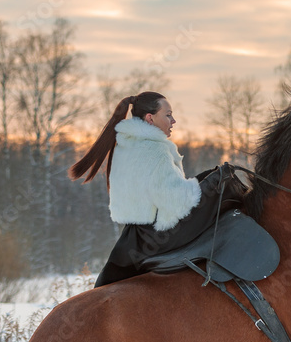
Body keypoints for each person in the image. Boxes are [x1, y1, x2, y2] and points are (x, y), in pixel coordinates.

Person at [69, 91, 246, 287]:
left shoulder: (126, 144)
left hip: (133, 237)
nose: (174, 120)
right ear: (150, 118)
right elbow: (174, 201)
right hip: (157, 234)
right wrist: (215, 182)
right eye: (168, 115)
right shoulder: (154, 149)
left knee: (212, 177)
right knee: (224, 182)